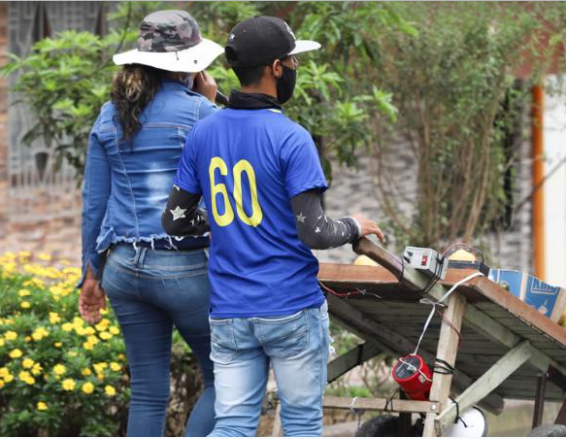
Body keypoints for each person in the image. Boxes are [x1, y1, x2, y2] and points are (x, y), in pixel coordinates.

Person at [161, 16, 385, 437]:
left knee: (233, 427)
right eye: (293, 62)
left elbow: (173, 221)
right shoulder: (292, 137)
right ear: (276, 69)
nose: (295, 70)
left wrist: (216, 228)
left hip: (228, 311)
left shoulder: (203, 133)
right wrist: (354, 226)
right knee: (301, 425)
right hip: (290, 308)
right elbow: (315, 232)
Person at [78, 10, 223, 437]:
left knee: (147, 392)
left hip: (122, 267)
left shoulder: (109, 115)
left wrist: (91, 274)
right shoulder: (202, 113)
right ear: (190, 63)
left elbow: (94, 204)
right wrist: (210, 105)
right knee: (227, 378)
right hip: (183, 269)